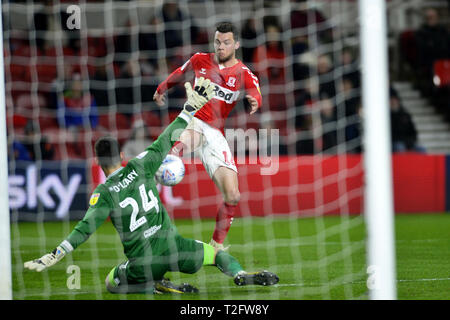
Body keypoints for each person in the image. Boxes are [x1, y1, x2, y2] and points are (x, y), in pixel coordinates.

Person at [24, 78, 279, 294]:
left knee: (110, 282)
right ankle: (239, 273)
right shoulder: (141, 164)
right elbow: (168, 136)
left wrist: (54, 254)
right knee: (215, 255)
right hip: (174, 247)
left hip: (143, 262)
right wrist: (189, 108)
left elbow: (84, 229)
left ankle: (155, 286)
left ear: (100, 164)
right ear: (122, 156)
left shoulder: (103, 194)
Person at [153, 22, 262, 251]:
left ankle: (216, 246)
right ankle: (156, 173)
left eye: (226, 42)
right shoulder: (200, 59)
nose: (220, 47)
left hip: (216, 133)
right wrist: (162, 87)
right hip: (194, 120)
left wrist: (255, 101)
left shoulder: (243, 73)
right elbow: (179, 73)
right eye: (217, 42)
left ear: (236, 44)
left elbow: (256, 91)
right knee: (182, 144)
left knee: (233, 195)